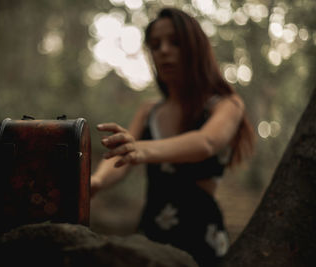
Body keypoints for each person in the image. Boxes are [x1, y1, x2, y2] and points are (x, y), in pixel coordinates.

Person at [90, 7, 255, 267]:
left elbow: (205, 143)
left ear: (196, 49)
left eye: (175, 42)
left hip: (201, 237)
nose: (164, 50)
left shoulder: (226, 105)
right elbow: (121, 156)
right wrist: (96, 181)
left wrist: (141, 149)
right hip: (149, 234)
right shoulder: (148, 112)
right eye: (155, 45)